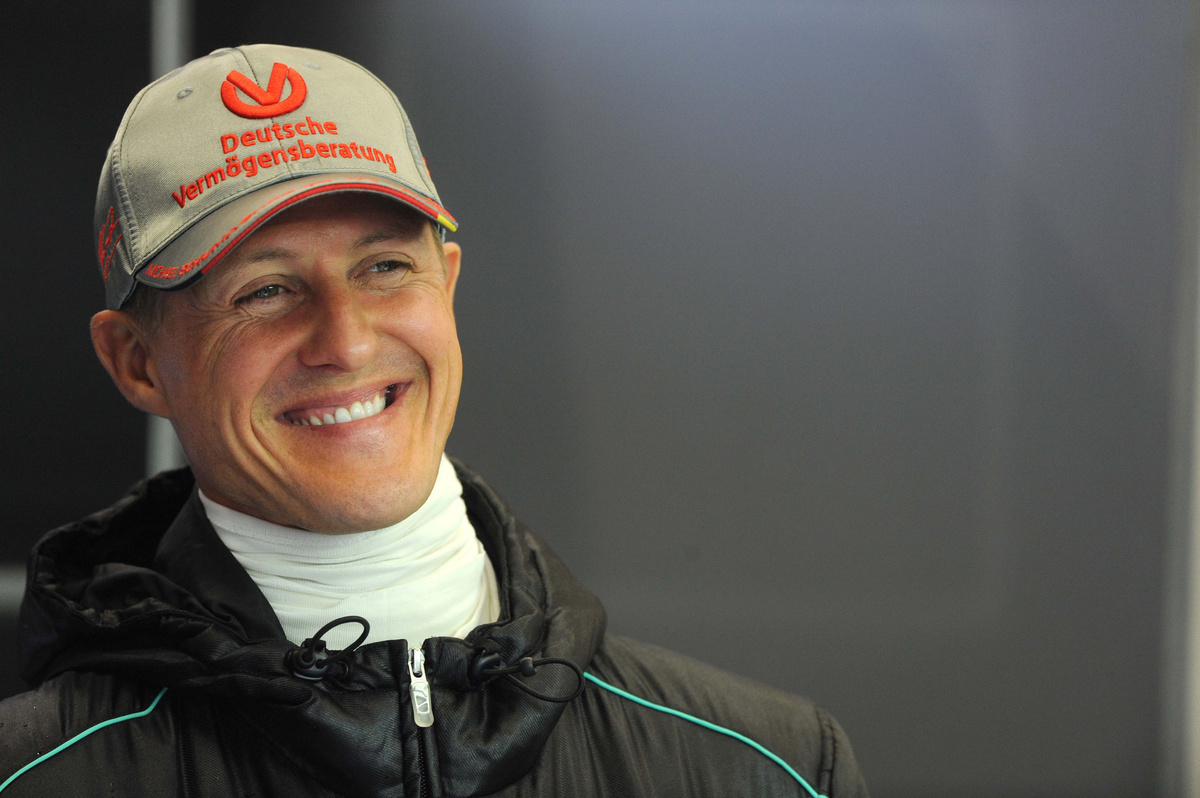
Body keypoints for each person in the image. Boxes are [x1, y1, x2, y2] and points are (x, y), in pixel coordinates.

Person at [0, 44, 868, 797]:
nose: (346, 340)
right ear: (137, 362)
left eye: (384, 267)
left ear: (446, 284)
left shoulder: (774, 767)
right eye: (264, 290)